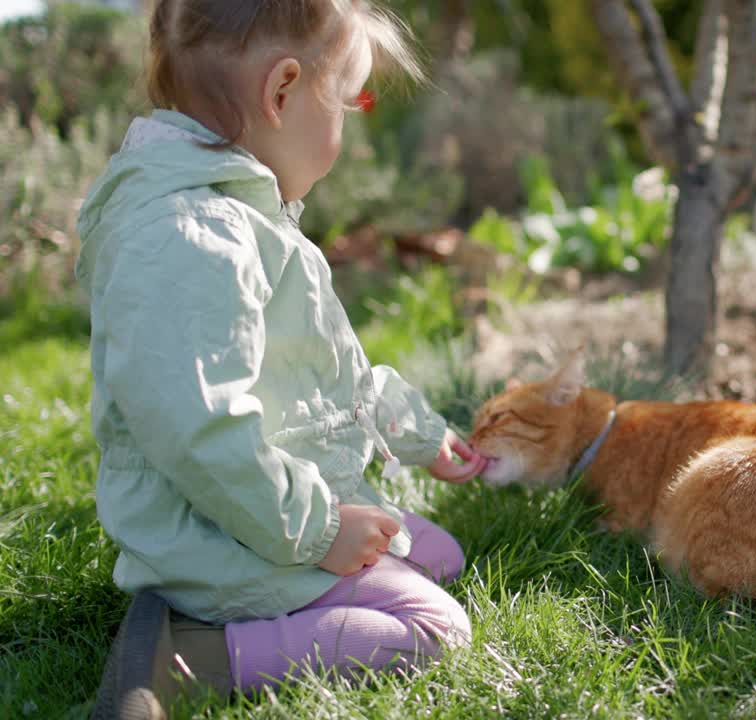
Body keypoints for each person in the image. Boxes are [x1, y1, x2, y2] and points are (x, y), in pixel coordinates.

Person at [74, 2, 485, 717]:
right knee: (436, 628)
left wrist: (419, 433)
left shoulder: (242, 212)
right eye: (351, 98)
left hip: (269, 501)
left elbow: (327, 377)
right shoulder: (190, 235)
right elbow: (201, 435)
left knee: (439, 556)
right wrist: (322, 530)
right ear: (283, 92)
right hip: (215, 532)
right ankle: (194, 656)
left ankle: (211, 619)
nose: (351, 124)